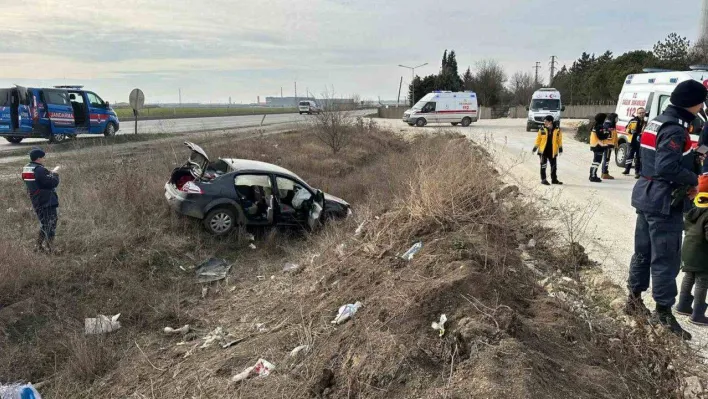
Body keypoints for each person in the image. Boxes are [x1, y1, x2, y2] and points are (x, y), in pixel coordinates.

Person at [626, 79, 707, 340]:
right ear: (693, 103)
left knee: (643, 252)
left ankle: (634, 299)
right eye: (701, 101)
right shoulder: (675, 128)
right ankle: (663, 313)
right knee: (666, 259)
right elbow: (666, 167)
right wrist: (695, 179)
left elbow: (650, 158)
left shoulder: (658, 120)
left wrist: (693, 157)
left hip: (647, 195)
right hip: (663, 202)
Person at [675, 175, 708, 326]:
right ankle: (698, 314)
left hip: (688, 251)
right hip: (702, 255)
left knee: (689, 276)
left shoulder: (692, 211)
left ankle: (683, 305)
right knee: (702, 281)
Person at [21, 148, 60, 253]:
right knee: (51, 222)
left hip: (35, 199)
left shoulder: (26, 168)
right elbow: (52, 183)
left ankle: (38, 246)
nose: (44, 159)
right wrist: (55, 174)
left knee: (44, 222)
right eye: (43, 157)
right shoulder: (39, 169)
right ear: (38, 158)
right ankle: (50, 248)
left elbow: (34, 182)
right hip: (46, 200)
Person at [532, 115, 563, 186]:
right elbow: (538, 139)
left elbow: (559, 140)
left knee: (554, 166)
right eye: (544, 121)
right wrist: (535, 147)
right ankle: (543, 179)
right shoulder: (542, 129)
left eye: (546, 121)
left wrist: (560, 148)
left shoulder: (557, 130)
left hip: (552, 151)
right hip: (543, 151)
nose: (544, 122)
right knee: (543, 165)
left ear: (550, 122)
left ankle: (554, 180)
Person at [622, 107, 647, 178]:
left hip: (641, 141)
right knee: (630, 155)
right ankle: (627, 169)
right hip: (632, 140)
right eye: (640, 113)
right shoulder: (633, 121)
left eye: (643, 113)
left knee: (638, 157)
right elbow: (626, 129)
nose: (642, 114)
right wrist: (630, 131)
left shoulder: (646, 122)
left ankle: (637, 172)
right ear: (637, 113)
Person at [589, 113, 609, 183]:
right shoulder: (599, 126)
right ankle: (593, 176)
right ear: (602, 119)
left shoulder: (595, 125)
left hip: (596, 146)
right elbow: (601, 136)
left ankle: (592, 175)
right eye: (605, 118)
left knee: (595, 162)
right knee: (597, 162)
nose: (606, 120)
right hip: (598, 146)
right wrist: (607, 133)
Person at [601, 113, 619, 180]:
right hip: (608, 145)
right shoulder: (608, 125)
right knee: (606, 159)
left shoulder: (608, 124)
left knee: (606, 158)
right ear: (613, 118)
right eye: (616, 118)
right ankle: (604, 173)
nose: (617, 119)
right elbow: (609, 136)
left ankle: (605, 172)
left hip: (608, 144)